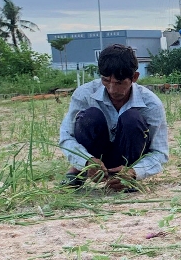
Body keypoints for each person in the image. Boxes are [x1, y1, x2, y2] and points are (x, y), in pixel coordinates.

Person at [59, 43, 169, 191]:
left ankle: (124, 178)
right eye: (106, 80)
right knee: (90, 116)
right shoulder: (84, 95)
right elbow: (66, 137)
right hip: (93, 156)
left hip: (129, 161)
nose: (112, 89)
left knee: (132, 119)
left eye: (119, 83)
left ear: (134, 77)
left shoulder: (151, 104)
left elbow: (159, 152)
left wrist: (135, 172)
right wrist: (86, 161)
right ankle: (78, 170)